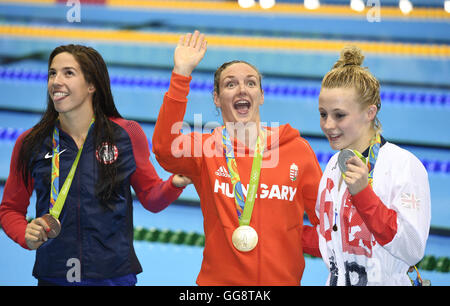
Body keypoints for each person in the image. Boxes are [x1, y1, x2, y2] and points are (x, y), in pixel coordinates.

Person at [0, 44, 191, 286]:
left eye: (68, 73)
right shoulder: (31, 142)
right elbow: (10, 209)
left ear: (92, 85)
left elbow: (151, 198)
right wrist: (24, 234)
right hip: (55, 275)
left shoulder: (126, 134)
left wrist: (174, 184)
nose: (56, 81)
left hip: (114, 275)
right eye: (52, 73)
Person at [152, 31, 322, 285]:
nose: (242, 89)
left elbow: (327, 224)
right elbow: (165, 147)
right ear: (217, 99)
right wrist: (181, 75)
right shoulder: (205, 150)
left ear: (261, 96)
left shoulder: (297, 150)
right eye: (230, 84)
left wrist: (290, 236)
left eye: (251, 83)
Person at [302, 45, 431, 285]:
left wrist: (363, 194)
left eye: (339, 115)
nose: (328, 125)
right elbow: (331, 244)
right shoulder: (333, 167)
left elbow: (412, 249)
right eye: (323, 114)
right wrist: (280, 229)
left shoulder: (403, 166)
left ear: (369, 112)